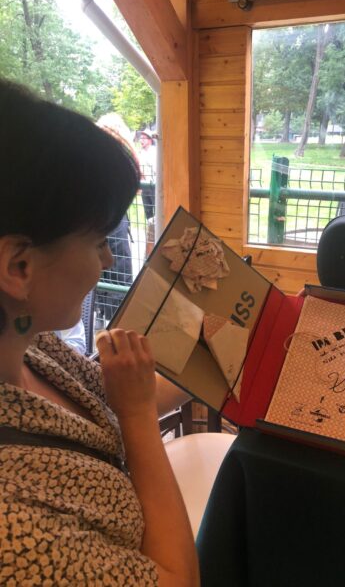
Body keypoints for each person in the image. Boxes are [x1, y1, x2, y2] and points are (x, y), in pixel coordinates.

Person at [0, 80, 199, 586]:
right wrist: (137, 418)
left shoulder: (30, 345)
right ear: (19, 266)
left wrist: (219, 362)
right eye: (98, 242)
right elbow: (179, 579)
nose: (109, 259)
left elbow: (120, 394)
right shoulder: (12, 528)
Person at [95, 114, 136, 324]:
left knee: (109, 271)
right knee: (117, 271)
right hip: (112, 220)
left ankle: (106, 317)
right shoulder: (111, 160)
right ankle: (117, 321)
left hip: (108, 218)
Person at [138, 129, 157, 255]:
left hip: (153, 186)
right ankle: (150, 237)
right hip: (145, 187)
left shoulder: (154, 152)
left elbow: (156, 169)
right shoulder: (140, 153)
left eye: (144, 138)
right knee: (148, 212)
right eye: (141, 138)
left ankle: (157, 234)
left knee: (157, 212)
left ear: (150, 140)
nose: (141, 140)